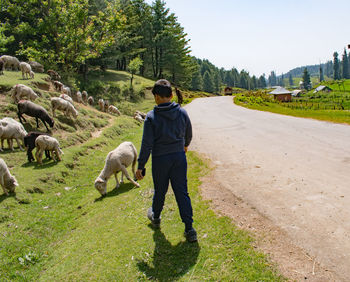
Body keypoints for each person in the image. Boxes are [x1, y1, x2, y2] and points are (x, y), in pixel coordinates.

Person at [136, 79, 197, 243]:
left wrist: (140, 166)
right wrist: (184, 145)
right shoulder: (182, 112)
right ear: (171, 95)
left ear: (156, 96)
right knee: (181, 192)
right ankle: (189, 229)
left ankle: (155, 217)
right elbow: (189, 133)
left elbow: (146, 144)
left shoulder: (151, 117)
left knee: (160, 190)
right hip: (178, 157)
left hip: (160, 160)